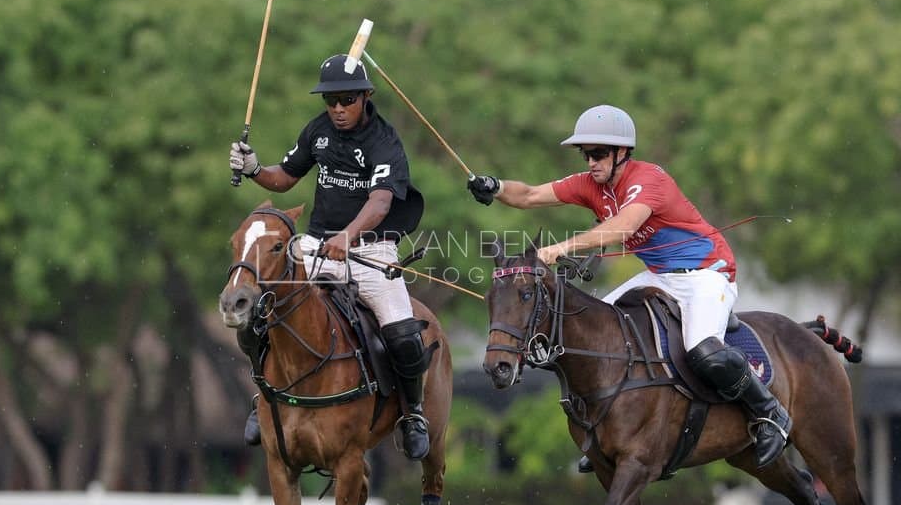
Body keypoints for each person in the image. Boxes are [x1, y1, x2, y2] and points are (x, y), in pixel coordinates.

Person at [466, 104, 790, 469]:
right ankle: (609, 430)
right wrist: (495, 187)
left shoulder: (649, 180)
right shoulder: (590, 185)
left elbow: (622, 229)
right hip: (659, 275)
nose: (591, 162)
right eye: (586, 154)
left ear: (623, 153)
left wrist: (560, 248)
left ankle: (769, 412)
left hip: (706, 273)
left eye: (599, 154)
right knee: (595, 328)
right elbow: (527, 196)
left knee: (702, 348)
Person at [229, 54, 432, 460]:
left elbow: (379, 202)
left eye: (346, 100)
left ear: (365, 96)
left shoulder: (384, 141)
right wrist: (253, 168)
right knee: (260, 309)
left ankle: (413, 414)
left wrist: (349, 235)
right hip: (315, 246)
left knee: (404, 335)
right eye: (331, 101)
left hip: (372, 249)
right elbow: (284, 178)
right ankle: (264, 397)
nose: (338, 109)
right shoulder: (318, 132)